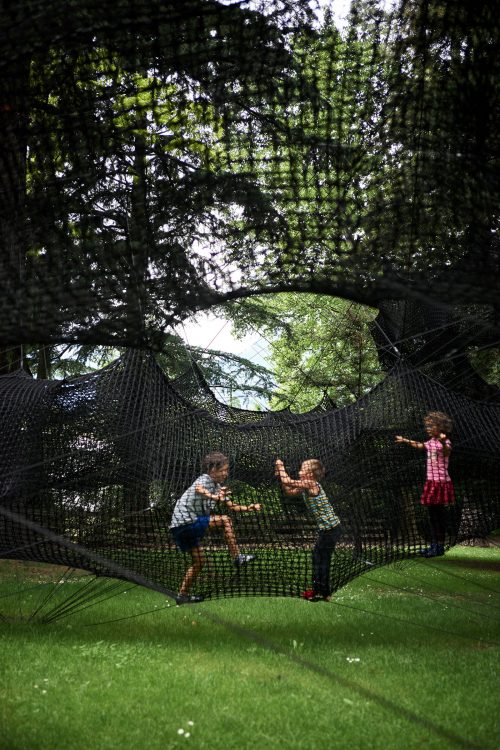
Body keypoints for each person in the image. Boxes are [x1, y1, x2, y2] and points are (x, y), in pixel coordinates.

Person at [170, 451, 261, 604]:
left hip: (179, 528)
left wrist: (249, 508)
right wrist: (215, 497)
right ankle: (237, 557)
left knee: (199, 562)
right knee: (225, 520)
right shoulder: (205, 479)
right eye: (223, 470)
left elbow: (232, 506)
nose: (226, 473)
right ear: (213, 469)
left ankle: (182, 595)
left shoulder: (218, 487)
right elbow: (200, 490)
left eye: (227, 470)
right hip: (186, 522)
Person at [275, 457, 342, 602]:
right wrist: (280, 475)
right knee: (319, 558)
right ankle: (323, 592)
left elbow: (288, 481)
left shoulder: (311, 483)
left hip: (331, 529)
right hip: (329, 530)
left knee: (320, 559)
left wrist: (281, 466)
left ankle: (322, 592)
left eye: (302, 468)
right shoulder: (305, 485)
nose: (299, 471)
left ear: (310, 474)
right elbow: (289, 491)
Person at [395, 411, 455, 557]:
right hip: (431, 482)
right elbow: (421, 446)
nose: (427, 429)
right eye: (427, 426)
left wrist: (442, 440)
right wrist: (405, 440)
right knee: (432, 515)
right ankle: (434, 545)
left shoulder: (445, 442)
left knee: (438, 515)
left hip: (440, 482)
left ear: (440, 427)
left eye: (430, 426)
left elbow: (447, 452)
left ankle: (439, 546)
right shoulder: (431, 442)